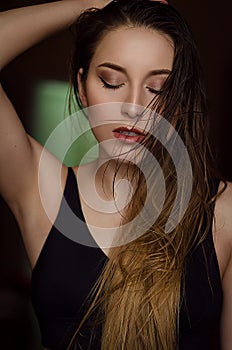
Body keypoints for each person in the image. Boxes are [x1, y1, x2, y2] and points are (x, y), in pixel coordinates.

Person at [0, 0, 232, 349]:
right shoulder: (40, 190)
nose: (134, 106)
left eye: (158, 88)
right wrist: (95, 3)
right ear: (82, 86)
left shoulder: (223, 210)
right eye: (111, 81)